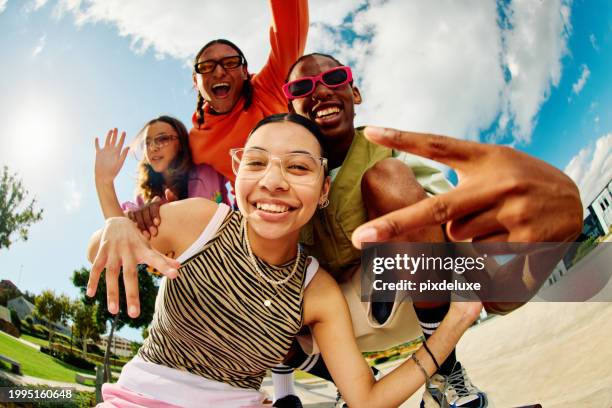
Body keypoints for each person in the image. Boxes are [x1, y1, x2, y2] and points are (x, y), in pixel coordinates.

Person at [87, 113, 482, 408]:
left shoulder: (316, 291)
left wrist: (455, 324)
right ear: (238, 173)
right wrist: (113, 229)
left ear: (324, 189)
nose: (273, 182)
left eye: (297, 167)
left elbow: (366, 399)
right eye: (257, 163)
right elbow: (99, 252)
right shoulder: (199, 221)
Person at [282, 53, 583, 408]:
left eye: (333, 79)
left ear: (355, 94)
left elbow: (448, 225)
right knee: (243, 295)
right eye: (303, 87)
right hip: (339, 320)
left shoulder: (384, 150)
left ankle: (444, 374)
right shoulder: (286, 175)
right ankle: (352, 381)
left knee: (388, 177)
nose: (320, 91)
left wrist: (507, 265)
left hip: (413, 294)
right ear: (292, 109)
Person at [189, 0, 308, 184]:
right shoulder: (194, 142)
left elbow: (290, 26)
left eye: (230, 63)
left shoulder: (268, 88)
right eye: (206, 66)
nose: (219, 72)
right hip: (250, 209)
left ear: (244, 72)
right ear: (195, 81)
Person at [95, 115, 230, 223]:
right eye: (147, 143)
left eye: (162, 139)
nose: (153, 148)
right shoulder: (144, 201)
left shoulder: (207, 170)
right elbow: (119, 230)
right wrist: (104, 181)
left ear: (181, 143)